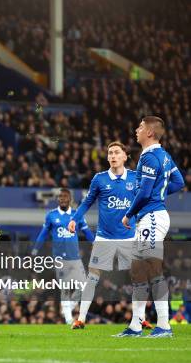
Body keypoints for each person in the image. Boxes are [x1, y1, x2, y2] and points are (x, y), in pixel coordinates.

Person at [67, 142, 151, 329]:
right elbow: (87, 202)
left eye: (116, 152)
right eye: (110, 153)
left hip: (129, 236)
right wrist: (74, 219)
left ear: (124, 156)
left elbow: (144, 201)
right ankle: (81, 319)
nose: (112, 156)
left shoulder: (136, 178)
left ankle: (140, 318)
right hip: (104, 237)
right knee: (93, 277)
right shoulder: (100, 179)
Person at [116, 116, 184, 338]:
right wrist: (159, 192)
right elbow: (178, 182)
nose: (136, 130)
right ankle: (136, 326)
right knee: (138, 271)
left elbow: (145, 193)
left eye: (140, 127)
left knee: (153, 270)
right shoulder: (163, 156)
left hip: (152, 217)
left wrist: (129, 214)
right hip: (150, 216)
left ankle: (164, 325)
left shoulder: (150, 157)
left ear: (150, 133)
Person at [32, 188, 95, 325]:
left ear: (70, 199)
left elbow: (86, 232)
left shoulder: (77, 215)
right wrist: (35, 250)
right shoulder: (51, 215)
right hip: (59, 258)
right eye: (60, 197)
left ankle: (69, 306)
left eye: (65, 197)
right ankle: (68, 318)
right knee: (65, 287)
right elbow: (43, 234)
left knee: (84, 287)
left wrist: (95, 243)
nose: (62, 199)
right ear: (57, 199)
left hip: (75, 257)